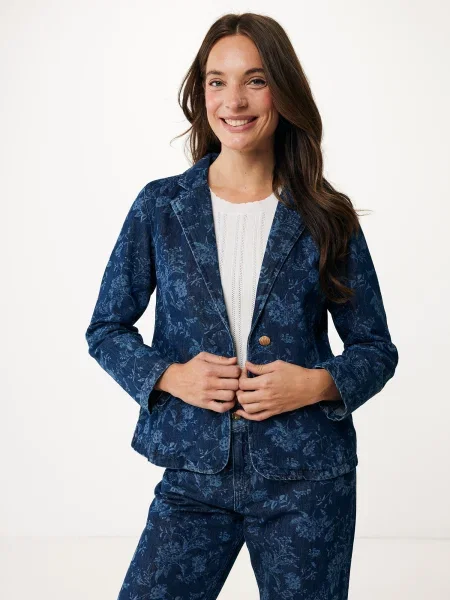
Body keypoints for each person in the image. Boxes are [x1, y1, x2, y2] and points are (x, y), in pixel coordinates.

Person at [85, 12, 399, 600]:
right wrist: (171, 376)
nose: (234, 100)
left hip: (307, 479)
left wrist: (314, 385)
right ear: (200, 93)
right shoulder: (161, 207)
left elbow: (375, 349)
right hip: (194, 476)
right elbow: (106, 328)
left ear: (283, 90)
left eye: (255, 80)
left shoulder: (326, 215)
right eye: (217, 81)